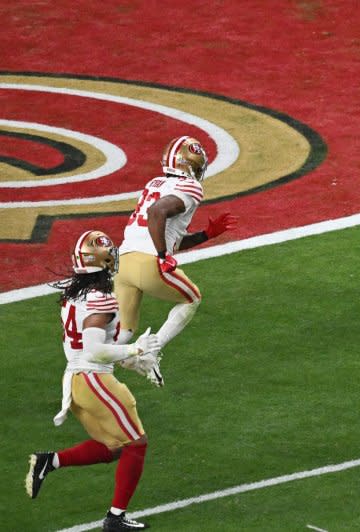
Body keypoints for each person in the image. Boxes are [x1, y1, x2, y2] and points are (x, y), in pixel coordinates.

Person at [26, 230, 161, 531]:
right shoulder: (101, 299)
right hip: (94, 379)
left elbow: (94, 346)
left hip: (76, 380)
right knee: (137, 443)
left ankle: (50, 461)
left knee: (113, 446)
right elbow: (94, 349)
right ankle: (115, 519)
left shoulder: (73, 295)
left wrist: (131, 359)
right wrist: (135, 348)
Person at [114, 136, 237, 386]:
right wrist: (162, 256)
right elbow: (157, 213)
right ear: (191, 166)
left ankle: (84, 371)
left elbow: (165, 232)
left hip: (123, 262)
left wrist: (206, 235)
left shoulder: (154, 183)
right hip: (149, 261)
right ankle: (150, 351)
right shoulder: (190, 187)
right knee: (192, 298)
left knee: (124, 333)